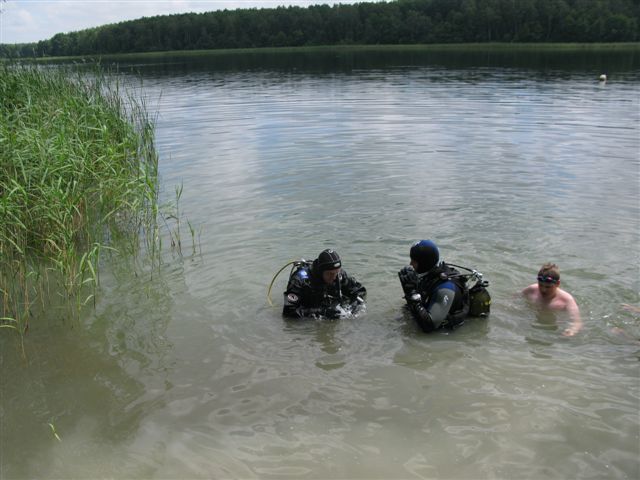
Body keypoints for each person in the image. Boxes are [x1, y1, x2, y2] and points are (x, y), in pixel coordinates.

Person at [398, 240, 488, 333]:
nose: (410, 264)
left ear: (424, 263)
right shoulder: (428, 276)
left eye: (414, 261)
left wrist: (411, 293)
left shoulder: (446, 288)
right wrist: (409, 289)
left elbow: (429, 326)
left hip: (448, 333)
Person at [282, 249, 366, 319]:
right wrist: (322, 312)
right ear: (320, 271)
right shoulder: (299, 280)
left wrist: (355, 304)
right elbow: (288, 312)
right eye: (330, 274)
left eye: (336, 272)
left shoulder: (339, 275)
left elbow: (360, 291)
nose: (334, 277)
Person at [522, 263, 582, 336]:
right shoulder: (532, 290)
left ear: (557, 284)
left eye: (548, 287)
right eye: (540, 285)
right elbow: (513, 298)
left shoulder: (566, 300)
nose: (543, 289)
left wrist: (571, 330)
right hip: (532, 324)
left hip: (553, 329)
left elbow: (577, 322)